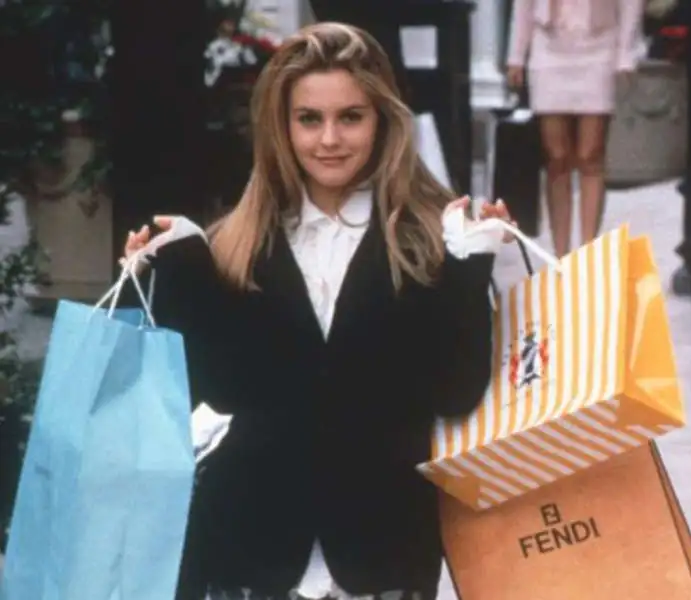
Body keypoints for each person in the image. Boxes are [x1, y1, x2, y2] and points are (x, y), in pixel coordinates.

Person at [122, 22, 514, 600]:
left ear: (383, 121)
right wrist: (175, 275)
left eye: (351, 117)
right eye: (309, 118)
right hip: (247, 550)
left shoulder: (431, 241)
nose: (329, 139)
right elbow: (218, 390)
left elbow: (457, 391)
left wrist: (472, 264)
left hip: (384, 552)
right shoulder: (236, 243)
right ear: (281, 127)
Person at [506, 0, 644, 257]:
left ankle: (587, 254)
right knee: (556, 157)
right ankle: (561, 257)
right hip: (548, 46)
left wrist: (626, 52)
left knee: (591, 155)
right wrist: (516, 54)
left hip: (600, 46)